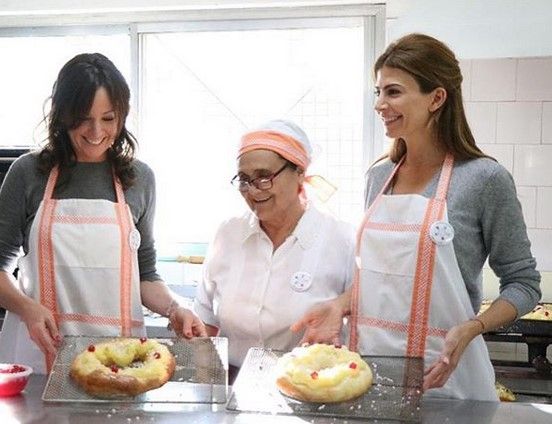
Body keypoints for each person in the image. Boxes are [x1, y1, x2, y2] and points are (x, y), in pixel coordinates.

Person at [291, 33, 541, 401]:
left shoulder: (484, 179)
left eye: (393, 92)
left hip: (446, 376)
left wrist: (473, 328)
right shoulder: (379, 176)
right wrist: (338, 305)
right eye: (377, 92)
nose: (379, 104)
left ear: (436, 98)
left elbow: (524, 284)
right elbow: (384, 278)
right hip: (369, 372)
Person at [0, 53, 206, 374]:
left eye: (108, 118)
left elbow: (146, 276)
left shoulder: (139, 179)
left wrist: (176, 308)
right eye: (82, 118)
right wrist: (27, 308)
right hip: (39, 355)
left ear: (122, 116)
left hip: (119, 360)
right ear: (62, 114)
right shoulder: (28, 173)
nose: (96, 131)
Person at [194, 119, 355, 380]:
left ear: (299, 172)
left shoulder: (342, 240)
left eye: (264, 178)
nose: (253, 191)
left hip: (308, 386)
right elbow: (206, 321)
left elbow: (367, 306)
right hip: (230, 384)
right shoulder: (228, 234)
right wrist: (205, 390)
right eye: (244, 180)